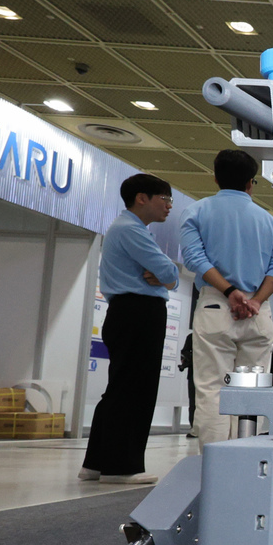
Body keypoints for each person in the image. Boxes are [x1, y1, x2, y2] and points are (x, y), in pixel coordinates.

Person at [181, 149, 273, 445]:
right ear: (251, 183)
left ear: (215, 178)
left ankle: (215, 469)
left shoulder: (197, 212)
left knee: (212, 390)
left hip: (216, 306)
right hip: (259, 314)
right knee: (252, 394)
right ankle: (245, 461)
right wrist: (254, 300)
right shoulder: (271, 223)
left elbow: (195, 258)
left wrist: (231, 293)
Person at [80, 173, 179, 485]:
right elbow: (167, 271)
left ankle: (96, 462)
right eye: (165, 199)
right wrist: (167, 275)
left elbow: (164, 273)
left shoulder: (126, 228)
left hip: (126, 312)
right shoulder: (132, 230)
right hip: (139, 311)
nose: (169, 206)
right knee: (137, 390)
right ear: (142, 198)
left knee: (120, 389)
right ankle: (121, 466)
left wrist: (165, 275)